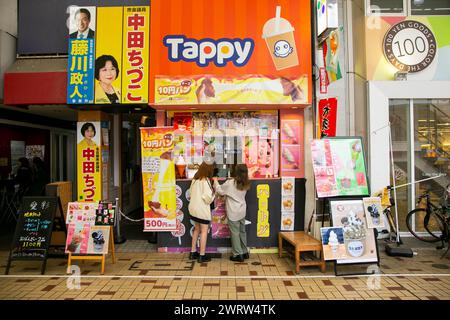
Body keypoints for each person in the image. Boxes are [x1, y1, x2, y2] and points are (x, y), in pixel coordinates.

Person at [213, 164, 251, 262]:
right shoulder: (246, 182)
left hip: (233, 212)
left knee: (235, 233)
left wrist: (216, 181)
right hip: (242, 210)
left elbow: (220, 191)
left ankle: (238, 255)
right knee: (242, 232)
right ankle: (244, 252)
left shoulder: (230, 183)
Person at [188, 162, 215, 263]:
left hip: (193, 209)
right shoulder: (206, 180)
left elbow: (190, 193)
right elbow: (207, 198)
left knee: (196, 229)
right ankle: (202, 255)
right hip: (201, 210)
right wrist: (214, 195)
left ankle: (193, 252)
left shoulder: (195, 180)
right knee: (204, 231)